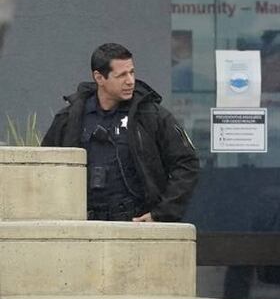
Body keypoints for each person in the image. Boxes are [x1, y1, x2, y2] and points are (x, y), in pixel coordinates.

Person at [42, 42, 200, 222]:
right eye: (121, 75)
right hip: (83, 224)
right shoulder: (71, 118)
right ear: (99, 78)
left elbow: (187, 164)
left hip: (135, 224)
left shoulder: (151, 116)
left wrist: (161, 213)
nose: (130, 81)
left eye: (132, 72)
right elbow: (45, 167)